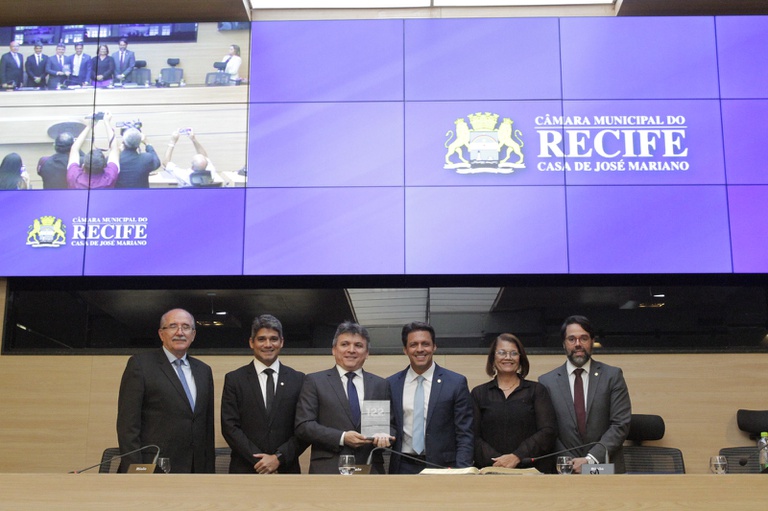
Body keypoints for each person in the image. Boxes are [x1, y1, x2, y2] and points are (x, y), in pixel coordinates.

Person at [116, 308, 215, 473]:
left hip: (195, 470)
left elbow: (206, 426)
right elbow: (128, 425)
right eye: (173, 326)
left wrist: (209, 471)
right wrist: (136, 469)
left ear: (193, 334)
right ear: (161, 334)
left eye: (186, 327)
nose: (180, 332)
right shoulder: (140, 365)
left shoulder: (204, 370)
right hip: (154, 467)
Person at [539, 315, 632, 474]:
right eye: (571, 339)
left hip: (604, 468)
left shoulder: (612, 376)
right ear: (564, 344)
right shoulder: (546, 382)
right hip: (563, 469)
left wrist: (590, 460)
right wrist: (569, 462)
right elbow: (546, 430)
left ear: (592, 341)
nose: (578, 344)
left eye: (583, 338)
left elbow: (620, 424)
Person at [295, 321, 391, 474]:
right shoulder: (314, 381)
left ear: (367, 353)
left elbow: (391, 425)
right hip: (328, 470)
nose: (351, 350)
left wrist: (385, 436)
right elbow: (304, 426)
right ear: (334, 350)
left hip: (370, 469)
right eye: (345, 344)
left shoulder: (380, 384)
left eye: (358, 345)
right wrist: (342, 437)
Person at [221, 314, 308, 474]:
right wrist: (261, 462)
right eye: (261, 339)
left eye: (273, 339)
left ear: (281, 342)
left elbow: (304, 428)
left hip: (286, 470)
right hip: (246, 470)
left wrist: (278, 458)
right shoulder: (234, 379)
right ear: (251, 343)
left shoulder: (299, 379)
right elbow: (230, 427)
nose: (268, 344)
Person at [387, 321, 474, 473]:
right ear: (405, 350)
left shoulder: (456, 383)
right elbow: (390, 425)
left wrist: (462, 471)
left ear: (434, 347)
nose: (420, 349)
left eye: (425, 344)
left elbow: (465, 433)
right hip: (403, 467)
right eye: (413, 344)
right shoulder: (391, 384)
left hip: (444, 468)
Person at [471, 333, 557, 473]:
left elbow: (548, 431)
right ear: (493, 358)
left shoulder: (536, 390)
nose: (508, 357)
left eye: (513, 353)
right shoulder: (479, 393)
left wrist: (517, 456)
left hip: (532, 472)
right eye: (502, 353)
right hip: (490, 471)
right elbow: (472, 436)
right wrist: (499, 461)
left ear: (520, 358)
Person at [67, 112, 120, 189]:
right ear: (104, 167)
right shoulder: (109, 178)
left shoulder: (74, 177)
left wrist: (89, 126)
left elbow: (74, 149)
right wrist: (107, 123)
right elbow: (115, 149)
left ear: (83, 166)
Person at [161, 128, 230, 187]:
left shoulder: (184, 175)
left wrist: (172, 142)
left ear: (193, 166)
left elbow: (165, 163)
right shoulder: (211, 172)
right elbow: (205, 157)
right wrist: (194, 139)